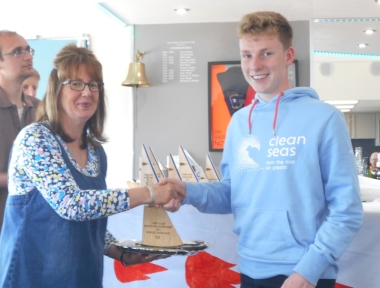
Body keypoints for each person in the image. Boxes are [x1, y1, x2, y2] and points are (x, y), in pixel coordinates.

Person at [162, 11, 363, 288]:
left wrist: (308, 271)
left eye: (266, 53)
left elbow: (347, 208)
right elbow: (233, 193)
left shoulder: (325, 118)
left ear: (288, 55)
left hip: (305, 274)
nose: (255, 65)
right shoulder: (240, 122)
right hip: (251, 268)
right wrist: (188, 191)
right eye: (247, 55)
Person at [0, 44, 186, 288]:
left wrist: (118, 250)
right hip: (33, 277)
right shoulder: (35, 139)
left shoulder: (96, 151)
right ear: (57, 90)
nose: (87, 92)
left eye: (94, 84)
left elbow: (89, 218)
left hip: (82, 277)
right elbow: (71, 205)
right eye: (76, 83)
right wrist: (149, 194)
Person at [0, 30, 40, 233]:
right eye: (17, 52)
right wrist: (22, 178)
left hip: (35, 230)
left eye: (27, 49)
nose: (27, 56)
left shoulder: (44, 111)